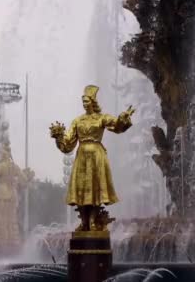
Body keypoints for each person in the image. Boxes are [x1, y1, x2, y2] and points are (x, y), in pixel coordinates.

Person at [50, 85, 135, 231]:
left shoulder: (101, 118)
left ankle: (92, 220)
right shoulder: (77, 121)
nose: (84, 104)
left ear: (93, 101)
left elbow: (116, 125)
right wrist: (59, 137)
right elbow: (68, 143)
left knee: (96, 189)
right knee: (81, 189)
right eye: (83, 101)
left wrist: (123, 118)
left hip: (97, 155)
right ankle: (84, 221)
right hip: (82, 155)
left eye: (87, 101)